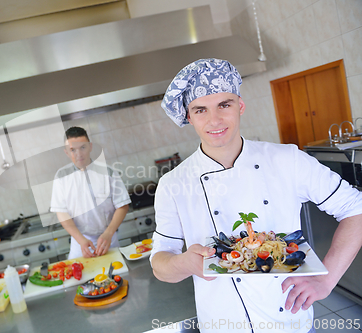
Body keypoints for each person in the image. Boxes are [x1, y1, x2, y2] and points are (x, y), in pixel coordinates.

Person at [150, 58, 362, 333]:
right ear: (189, 117)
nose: (214, 120)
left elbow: (356, 209)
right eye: (200, 110)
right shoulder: (173, 184)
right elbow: (160, 264)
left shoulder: (287, 159)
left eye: (224, 105)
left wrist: (327, 279)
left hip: (290, 323)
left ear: (240, 106)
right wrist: (183, 263)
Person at [50, 127, 131, 259]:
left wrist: (108, 234)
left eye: (83, 147)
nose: (79, 154)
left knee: (117, 276)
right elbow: (62, 213)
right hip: (80, 243)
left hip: (108, 239)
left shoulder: (109, 172)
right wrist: (81, 240)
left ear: (90, 147)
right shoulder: (61, 176)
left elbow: (122, 205)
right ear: (66, 152)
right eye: (73, 150)